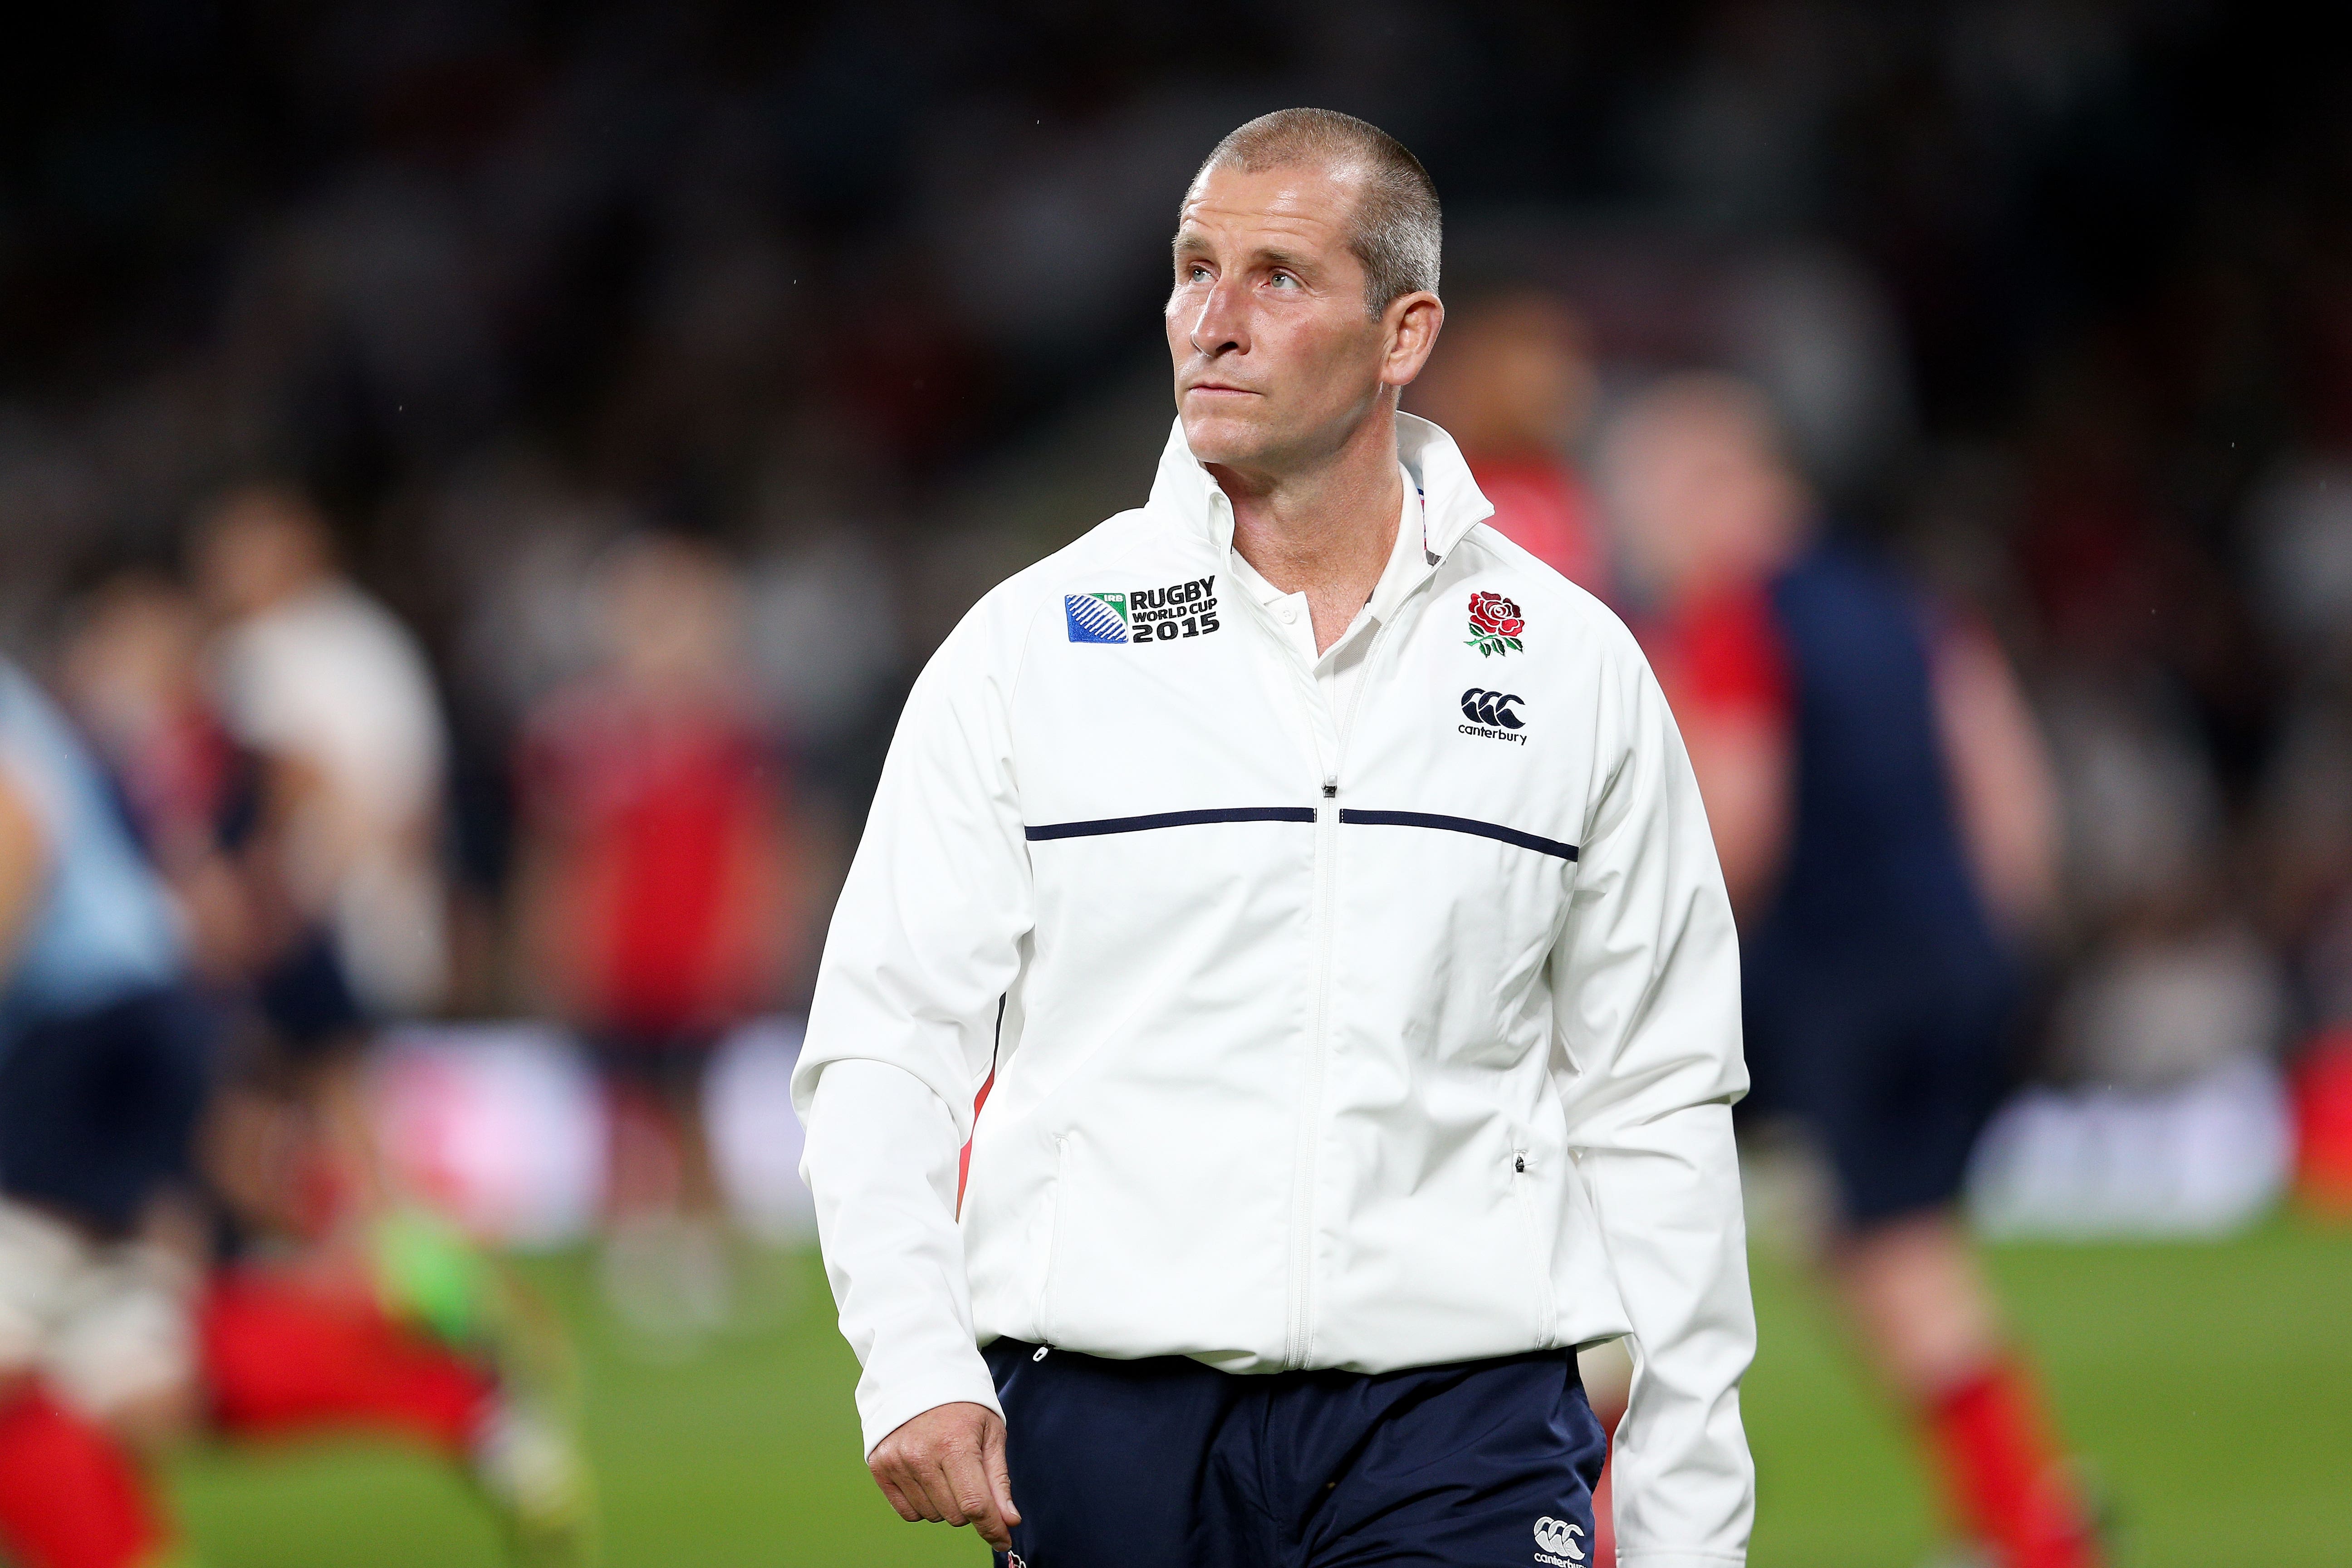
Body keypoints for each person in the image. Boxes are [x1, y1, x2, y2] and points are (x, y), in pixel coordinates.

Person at [794, 108, 1754, 1568]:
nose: (1214, 322)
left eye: (1278, 277)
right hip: (1106, 1427)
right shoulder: (1031, 648)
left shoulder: (1573, 667)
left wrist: (1692, 1522)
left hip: (1463, 1427)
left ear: (1404, 332)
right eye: (1194, 268)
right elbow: (886, 1040)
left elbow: (1660, 1100)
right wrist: (912, 1352)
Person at [1599, 374, 2096, 1568]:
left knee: (1613, 1210)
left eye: (1648, 496)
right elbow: (2011, 790)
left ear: (1716, 483)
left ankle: (1597, 1521)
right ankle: (2026, 1519)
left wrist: (1642, 958)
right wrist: (1998, 953)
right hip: (1954, 967)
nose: (1638, 529)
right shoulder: (1910, 603)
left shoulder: (1730, 610)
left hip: (1825, 979)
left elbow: (1742, 807)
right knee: (1887, 1244)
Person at [514, 533, 794, 1338]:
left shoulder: (736, 731)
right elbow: (565, 854)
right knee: (620, 1104)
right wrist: (557, 939)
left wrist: (752, 933)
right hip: (618, 952)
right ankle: (632, 1250)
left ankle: (707, 1251)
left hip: (695, 949)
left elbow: (759, 845)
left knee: (692, 1105)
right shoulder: (583, 736)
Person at [1407, 287, 1612, 597]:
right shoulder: (1424, 491)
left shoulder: (1569, 488)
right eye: (1527, 356)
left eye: (1564, 356)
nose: (1555, 377)